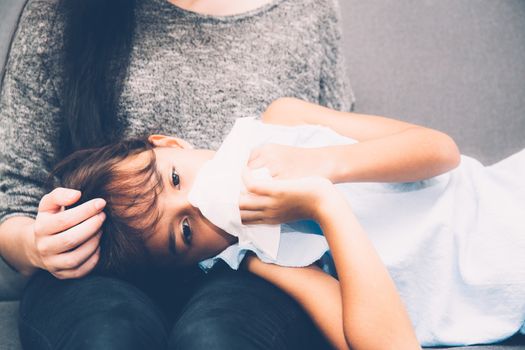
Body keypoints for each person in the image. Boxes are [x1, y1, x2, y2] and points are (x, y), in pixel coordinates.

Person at [0, 0, 354, 349]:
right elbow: (13, 191)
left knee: (217, 341)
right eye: (173, 179)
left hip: (258, 272)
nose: (198, 198)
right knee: (108, 338)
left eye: (175, 180)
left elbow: (339, 161)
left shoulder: (307, 11)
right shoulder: (62, 11)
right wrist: (36, 245)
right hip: (99, 278)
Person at [51, 97, 525, 348]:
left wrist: (325, 166)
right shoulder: (263, 261)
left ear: (170, 143)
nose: (197, 201)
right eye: (186, 231)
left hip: (502, 206)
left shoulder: (283, 121)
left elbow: (440, 151)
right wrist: (324, 206)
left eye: (175, 179)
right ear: (190, 262)